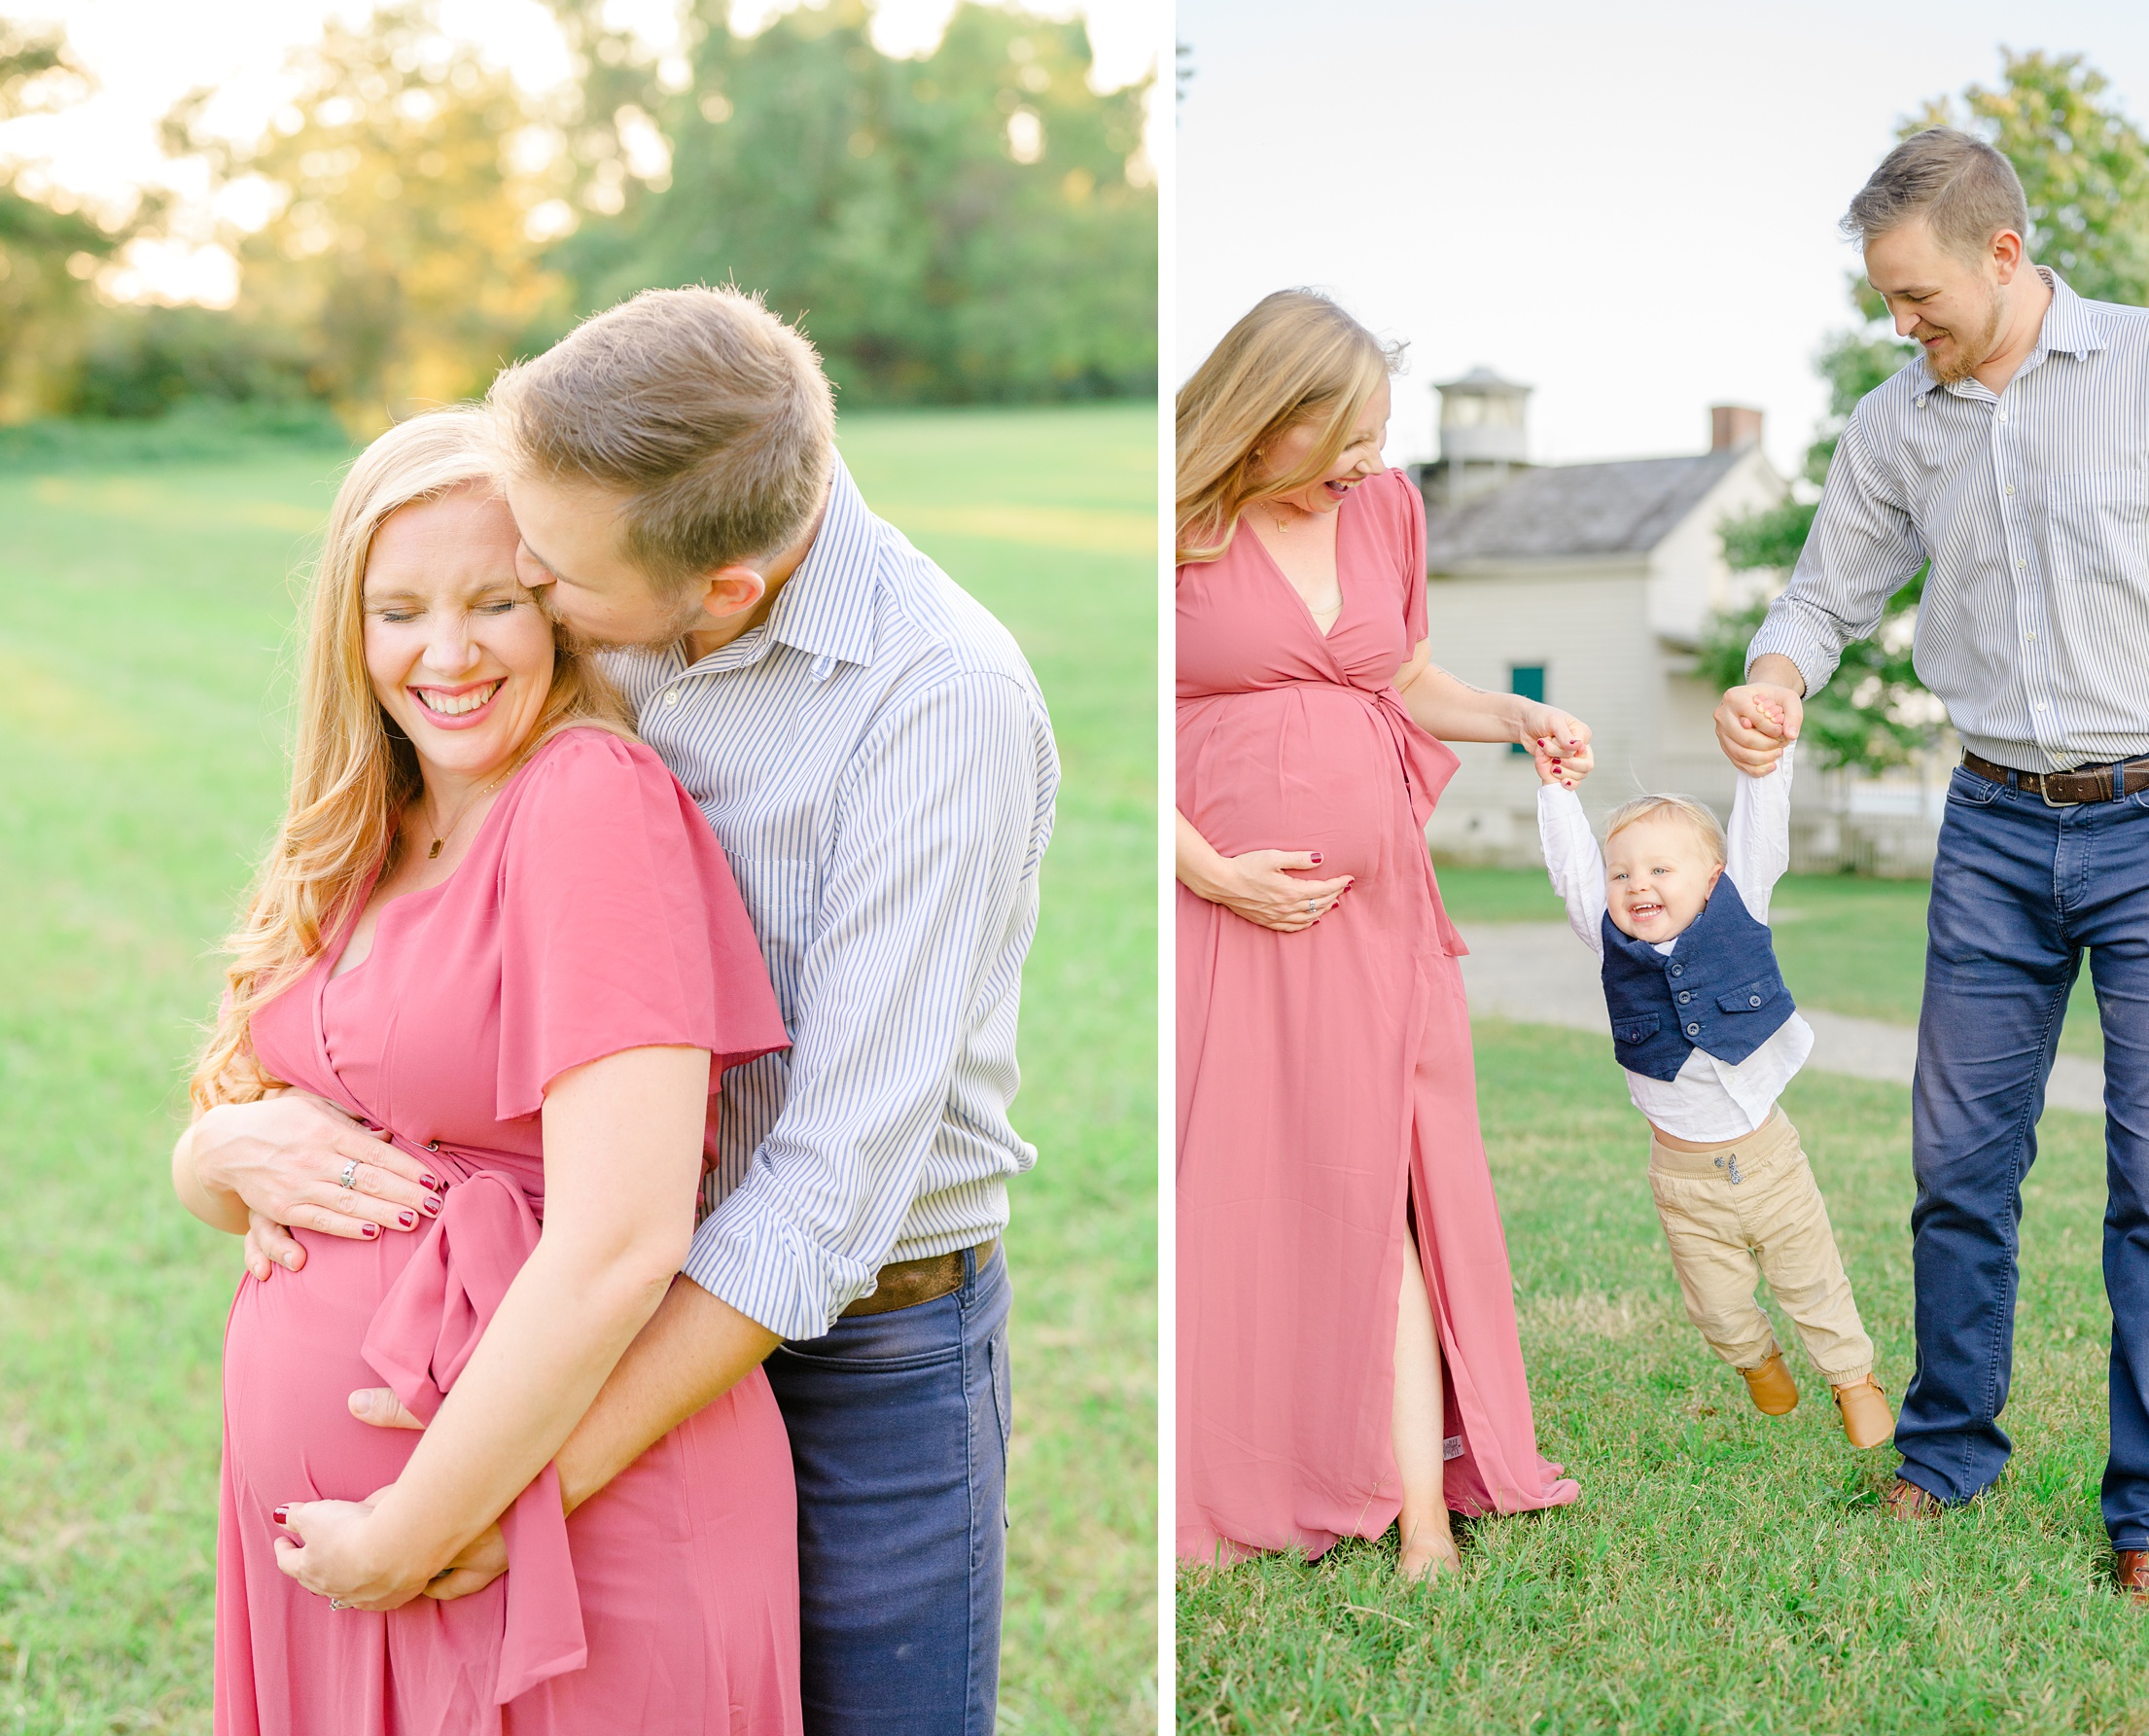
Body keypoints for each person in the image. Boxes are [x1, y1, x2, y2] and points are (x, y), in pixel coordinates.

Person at [177, 287, 1059, 1733]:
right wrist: (216, 1154)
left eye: (542, 587)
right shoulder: (628, 548)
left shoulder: (938, 705)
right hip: (572, 1308)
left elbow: (826, 1199)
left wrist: (487, 1500)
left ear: (722, 588)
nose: (513, 597)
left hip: (854, 1336)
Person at [1716, 128, 2149, 1598]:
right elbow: (1822, 595)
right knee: (1958, 1170)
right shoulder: (1895, 424)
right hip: (1993, 826)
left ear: (2005, 255)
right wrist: (1774, 681)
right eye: (1884, 300)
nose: (1900, 322)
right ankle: (1946, 1455)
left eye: (1918, 294)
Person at [174, 409, 800, 1731]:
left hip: (551, 1542)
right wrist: (211, 1162)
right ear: (348, 627)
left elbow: (620, 1240)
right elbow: (293, 1104)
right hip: (360, 1545)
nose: (446, 655)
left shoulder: (587, 801)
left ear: (562, 612)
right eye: (398, 610)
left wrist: (417, 1524)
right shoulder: (374, 817)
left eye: (497, 603)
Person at [1176, 288, 1584, 1581]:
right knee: (1243, 1198)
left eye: (1379, 432)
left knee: (1382, 1192)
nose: (1367, 460)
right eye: (1345, 437)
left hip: (1379, 920)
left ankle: (1418, 1517)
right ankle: (1243, 1474)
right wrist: (1211, 871)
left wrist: (1511, 720)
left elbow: (1403, 676)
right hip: (1224, 915)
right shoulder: (1173, 526)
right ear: (1265, 422)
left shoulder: (1387, 507)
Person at [1530, 728, 1893, 1447]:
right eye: (1623, 874)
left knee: (1814, 1286)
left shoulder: (1742, 907)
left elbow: (1763, 832)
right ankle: (1756, 1360)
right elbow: (1571, 870)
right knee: (1717, 1307)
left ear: (1713, 877)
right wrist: (1554, 790)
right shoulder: (1610, 941)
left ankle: (1854, 1380)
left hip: (1771, 1165)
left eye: (1661, 868)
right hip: (1682, 1180)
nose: (1638, 886)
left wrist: (1766, 764)